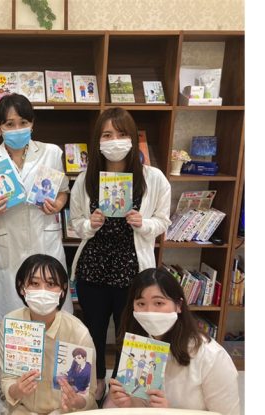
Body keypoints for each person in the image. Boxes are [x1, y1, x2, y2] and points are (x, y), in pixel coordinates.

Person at [69, 107, 171, 402]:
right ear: (98, 140)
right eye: (107, 135)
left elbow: (163, 221)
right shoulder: (86, 179)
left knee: (130, 332)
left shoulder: (153, 178)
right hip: (94, 268)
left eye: (122, 133)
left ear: (133, 138)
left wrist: (143, 223)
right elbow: (76, 223)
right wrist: (90, 224)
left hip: (132, 270)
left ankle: (122, 388)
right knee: (94, 331)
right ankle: (98, 380)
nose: (115, 140)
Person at [0, 93, 72, 337]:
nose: (17, 129)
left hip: (43, 237)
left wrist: (58, 204)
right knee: (9, 315)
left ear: (32, 124)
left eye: (23, 123)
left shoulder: (51, 152)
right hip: (7, 244)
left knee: (48, 308)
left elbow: (63, 191)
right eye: (10, 124)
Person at [104, 268, 240, 414]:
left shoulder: (212, 356)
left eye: (158, 303)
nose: (149, 312)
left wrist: (170, 412)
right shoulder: (138, 347)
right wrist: (128, 403)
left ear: (179, 305)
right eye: (141, 304)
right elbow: (141, 405)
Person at [0, 254, 97, 414]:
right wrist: (17, 390)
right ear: (22, 287)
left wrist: (76, 401)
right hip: (24, 409)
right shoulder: (12, 323)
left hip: (64, 411)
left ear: (63, 290)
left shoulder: (78, 332)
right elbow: (7, 379)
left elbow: (89, 393)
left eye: (51, 284)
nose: (42, 291)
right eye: (34, 283)